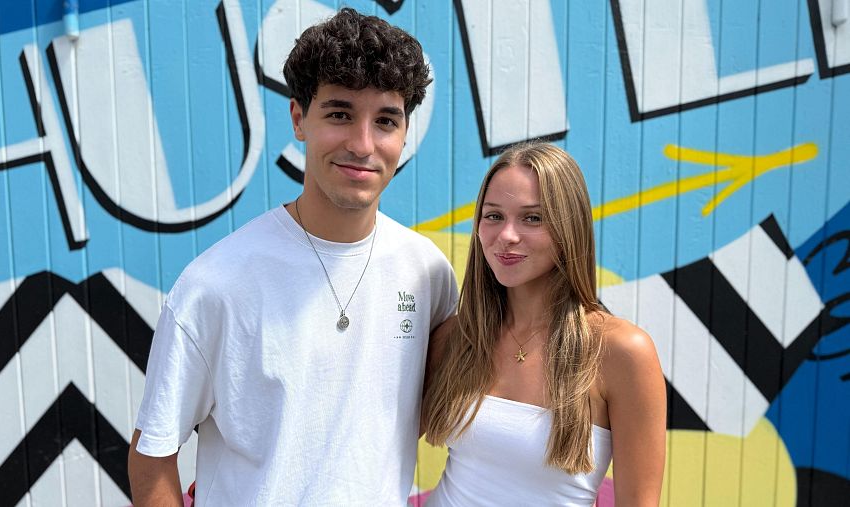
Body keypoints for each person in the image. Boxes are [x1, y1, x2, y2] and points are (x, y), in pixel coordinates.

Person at [127, 8, 458, 505]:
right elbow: (152, 456)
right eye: (340, 114)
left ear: (404, 133)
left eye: (385, 120)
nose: (363, 144)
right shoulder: (214, 285)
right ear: (299, 118)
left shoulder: (427, 272)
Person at [421, 142, 666, 506]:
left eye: (532, 218)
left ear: (569, 228)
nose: (506, 235)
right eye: (493, 216)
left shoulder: (621, 351)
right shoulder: (458, 336)